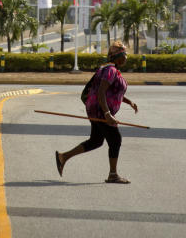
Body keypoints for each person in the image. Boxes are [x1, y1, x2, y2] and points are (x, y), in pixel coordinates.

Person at [55, 41, 138, 184]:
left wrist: (129, 102)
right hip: (101, 110)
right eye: (125, 54)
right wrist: (107, 114)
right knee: (115, 140)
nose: (126, 57)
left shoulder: (109, 70)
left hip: (95, 109)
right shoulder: (111, 70)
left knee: (96, 141)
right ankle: (113, 174)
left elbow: (113, 92)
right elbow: (101, 92)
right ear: (117, 56)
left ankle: (63, 157)